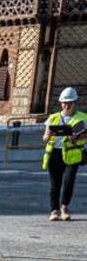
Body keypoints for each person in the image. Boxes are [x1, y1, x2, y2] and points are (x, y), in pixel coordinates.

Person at [43, 87, 87, 221]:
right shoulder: (53, 118)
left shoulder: (83, 118)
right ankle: (54, 210)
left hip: (72, 155)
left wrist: (78, 137)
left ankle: (64, 208)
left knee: (68, 182)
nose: (66, 105)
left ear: (74, 103)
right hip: (54, 154)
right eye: (64, 103)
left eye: (69, 103)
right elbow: (44, 138)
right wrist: (48, 135)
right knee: (54, 184)